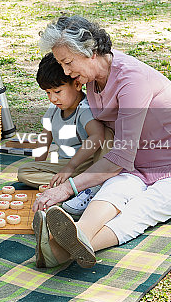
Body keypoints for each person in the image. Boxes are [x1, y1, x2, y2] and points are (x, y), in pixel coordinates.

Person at [31, 15, 171, 270]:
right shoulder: (92, 79)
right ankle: (69, 242)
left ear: (89, 51)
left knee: (141, 210)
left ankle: (59, 251)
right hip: (137, 166)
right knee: (114, 191)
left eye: (67, 62)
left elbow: (120, 157)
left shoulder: (132, 80)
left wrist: (67, 188)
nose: (65, 72)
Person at [18, 53, 112, 217]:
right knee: (24, 172)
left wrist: (71, 167)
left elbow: (97, 137)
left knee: (108, 136)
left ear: (77, 84)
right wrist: (39, 165)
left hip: (87, 164)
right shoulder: (54, 110)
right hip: (66, 166)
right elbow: (45, 139)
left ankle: (89, 185)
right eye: (48, 93)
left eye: (57, 91)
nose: (53, 98)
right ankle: (75, 187)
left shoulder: (84, 109)